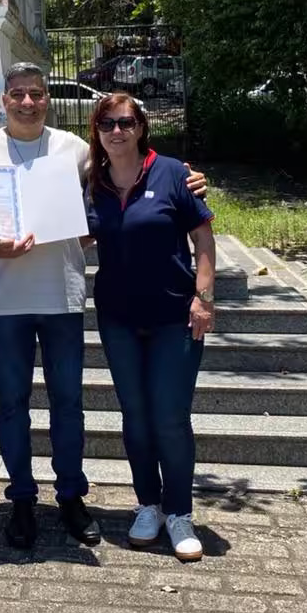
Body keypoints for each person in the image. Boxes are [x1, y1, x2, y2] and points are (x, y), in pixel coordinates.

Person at [0, 62, 100, 550]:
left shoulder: (75, 149)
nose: (27, 102)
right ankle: (21, 498)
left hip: (62, 293)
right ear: (4, 100)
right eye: (18, 94)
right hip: (10, 299)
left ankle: (71, 496)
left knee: (68, 404)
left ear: (47, 98)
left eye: (36, 94)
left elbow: (106, 199)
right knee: (12, 405)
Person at [85, 93, 215, 563]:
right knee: (135, 416)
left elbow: (203, 239)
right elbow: (76, 232)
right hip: (118, 318)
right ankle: (148, 505)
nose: (116, 131)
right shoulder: (93, 183)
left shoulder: (174, 173)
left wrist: (204, 298)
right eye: (106, 124)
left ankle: (179, 512)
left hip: (172, 316)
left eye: (125, 122)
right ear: (97, 132)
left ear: (140, 127)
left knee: (170, 417)